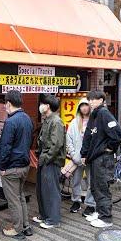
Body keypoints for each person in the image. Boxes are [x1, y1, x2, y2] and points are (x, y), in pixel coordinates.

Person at [0, 90, 34, 239]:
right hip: (24, 165)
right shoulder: (27, 118)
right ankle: (25, 226)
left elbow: (5, 146)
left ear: (8, 103)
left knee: (13, 200)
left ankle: (17, 229)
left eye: (5, 103)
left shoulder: (11, 121)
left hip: (12, 167)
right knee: (20, 196)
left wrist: (2, 167)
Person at [80, 91, 121, 228]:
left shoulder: (104, 113)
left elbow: (117, 134)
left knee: (101, 188)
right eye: (89, 99)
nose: (91, 102)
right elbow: (88, 136)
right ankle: (99, 212)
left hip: (102, 158)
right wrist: (84, 154)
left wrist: (109, 148)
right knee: (94, 187)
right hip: (94, 157)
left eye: (94, 99)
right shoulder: (95, 114)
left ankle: (106, 218)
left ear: (101, 100)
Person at [32, 95, 66, 229]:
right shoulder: (48, 120)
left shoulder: (56, 121)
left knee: (51, 190)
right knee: (42, 189)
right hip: (45, 159)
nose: (41, 106)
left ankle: (53, 219)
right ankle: (44, 215)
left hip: (51, 161)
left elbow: (56, 144)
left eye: (43, 103)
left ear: (48, 106)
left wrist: (45, 158)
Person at [65, 96, 94, 214]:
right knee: (76, 180)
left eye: (86, 105)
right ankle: (76, 201)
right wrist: (73, 154)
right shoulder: (74, 121)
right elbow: (68, 139)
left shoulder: (94, 121)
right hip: (77, 157)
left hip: (90, 157)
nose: (84, 108)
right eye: (82, 105)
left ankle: (90, 204)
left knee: (91, 181)